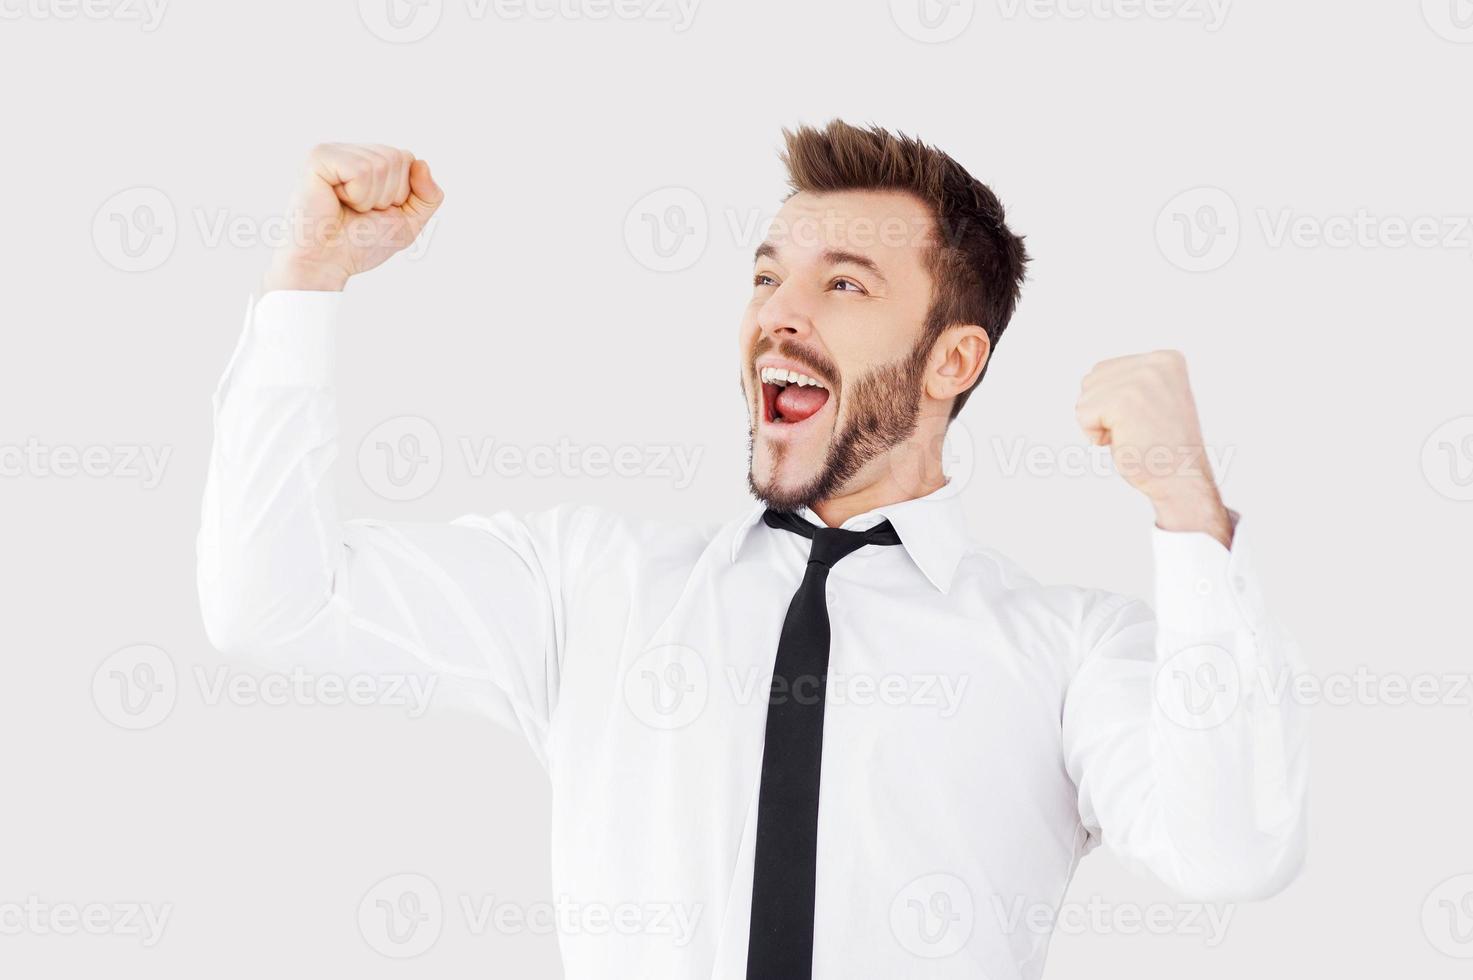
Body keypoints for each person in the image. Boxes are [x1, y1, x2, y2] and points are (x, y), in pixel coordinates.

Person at [197, 120, 1307, 980]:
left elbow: (1233, 851)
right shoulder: (593, 586)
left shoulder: (1065, 649)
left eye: (843, 283)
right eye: (768, 274)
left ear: (952, 359)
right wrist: (307, 282)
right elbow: (272, 605)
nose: (778, 312)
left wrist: (1187, 513)